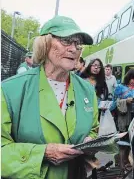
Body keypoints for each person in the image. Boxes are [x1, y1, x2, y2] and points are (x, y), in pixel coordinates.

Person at [1, 15, 99, 179]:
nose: (74, 49)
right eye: (66, 40)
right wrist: (43, 153)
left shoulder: (87, 90)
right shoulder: (10, 89)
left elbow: (93, 129)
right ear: (44, 44)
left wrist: (91, 141)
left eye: (78, 43)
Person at [112, 69, 134, 171]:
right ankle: (120, 165)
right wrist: (126, 101)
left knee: (131, 141)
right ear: (128, 77)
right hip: (124, 118)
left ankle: (126, 161)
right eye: (132, 78)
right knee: (122, 142)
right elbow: (114, 103)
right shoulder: (120, 87)